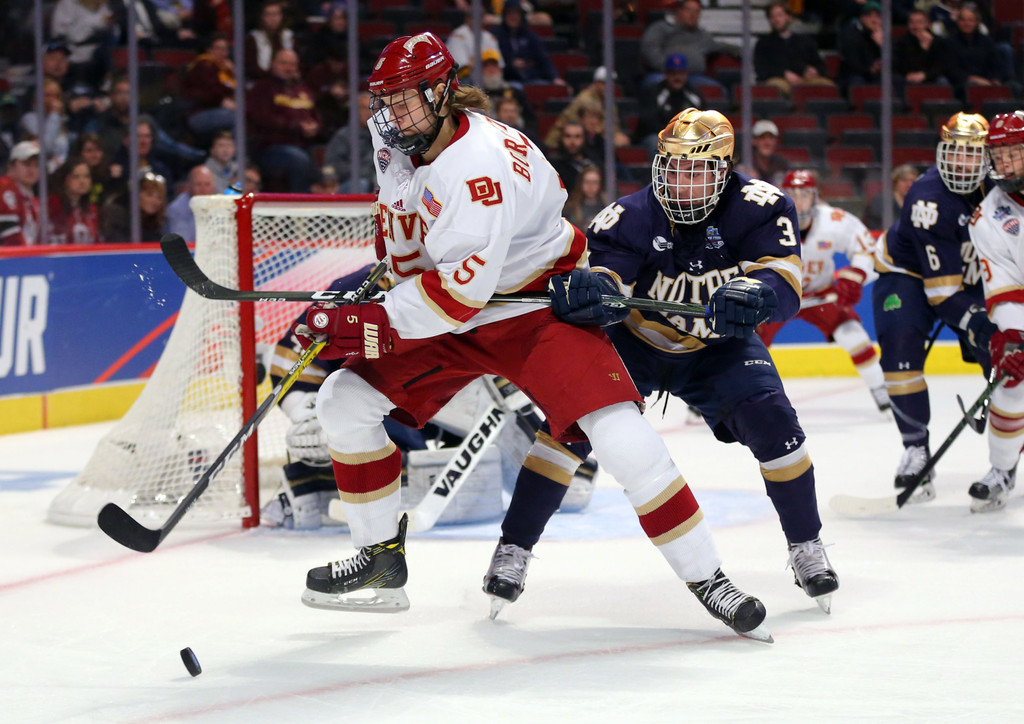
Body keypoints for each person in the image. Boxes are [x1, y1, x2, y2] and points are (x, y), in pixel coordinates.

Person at [295, 34, 772, 641]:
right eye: (382, 101)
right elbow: (408, 234)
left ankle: (710, 579)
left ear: (443, 92)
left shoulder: (476, 171)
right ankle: (379, 558)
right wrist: (382, 278)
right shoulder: (402, 132)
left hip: (531, 305)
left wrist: (371, 324)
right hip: (460, 299)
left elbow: (455, 298)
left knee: (620, 434)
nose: (390, 116)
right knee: (343, 400)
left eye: (405, 100)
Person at [485, 107, 839, 618]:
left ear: (725, 169)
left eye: (695, 170)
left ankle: (806, 544)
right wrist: (594, 292)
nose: (680, 181)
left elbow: (785, 288)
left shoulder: (761, 206)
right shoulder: (630, 215)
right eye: (672, 166)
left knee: (775, 422)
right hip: (636, 342)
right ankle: (514, 546)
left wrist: (757, 294)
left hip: (717, 348)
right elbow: (609, 280)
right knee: (566, 427)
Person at [871, 112, 994, 503]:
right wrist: (977, 321)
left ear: (988, 158)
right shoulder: (928, 197)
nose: (962, 163)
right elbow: (942, 295)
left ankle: (1006, 457)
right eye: (955, 153)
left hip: (970, 276)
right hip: (906, 275)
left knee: (1008, 356)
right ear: (941, 152)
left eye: (972, 155)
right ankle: (914, 447)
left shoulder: (1003, 188)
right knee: (899, 347)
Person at [759, 170, 889, 412]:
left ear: (815, 196)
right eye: (793, 194)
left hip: (820, 292)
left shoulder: (835, 220)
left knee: (852, 334)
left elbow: (866, 249)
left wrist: (856, 275)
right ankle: (726, 393)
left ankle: (880, 388)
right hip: (778, 296)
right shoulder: (765, 221)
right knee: (748, 345)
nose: (799, 201)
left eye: (805, 194)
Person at [964, 110, 1024, 512]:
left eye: (1013, 152)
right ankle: (1002, 469)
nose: (1004, 162)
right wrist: (1010, 336)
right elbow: (1004, 287)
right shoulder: (988, 216)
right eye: (998, 154)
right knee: (1011, 380)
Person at [246, 48, 321, 193]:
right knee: (298, 159)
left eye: (292, 64)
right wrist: (297, 127)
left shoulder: (303, 89)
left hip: (303, 145)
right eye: (284, 63)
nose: (288, 68)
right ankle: (300, 208)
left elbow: (316, 115)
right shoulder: (262, 88)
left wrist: (315, 126)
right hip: (270, 148)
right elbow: (263, 119)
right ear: (273, 64)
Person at [640, 0, 739, 92]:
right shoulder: (661, 28)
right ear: (679, 10)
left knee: (718, 90)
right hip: (664, 75)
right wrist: (671, 70)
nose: (692, 15)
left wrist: (740, 51)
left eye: (697, 12)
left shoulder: (702, 36)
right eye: (689, 10)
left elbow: (720, 46)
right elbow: (650, 49)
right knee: (652, 83)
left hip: (695, 78)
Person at [753, 0, 834, 98]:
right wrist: (783, 74)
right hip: (779, 80)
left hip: (804, 79)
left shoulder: (805, 41)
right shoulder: (763, 44)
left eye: (779, 15)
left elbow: (819, 65)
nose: (776, 19)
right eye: (772, 16)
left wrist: (814, 71)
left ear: (788, 17)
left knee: (827, 85)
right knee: (776, 86)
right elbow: (762, 71)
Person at [635, 53, 704, 159]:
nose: (677, 77)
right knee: (655, 143)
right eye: (673, 73)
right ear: (666, 74)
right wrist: (672, 136)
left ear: (686, 74)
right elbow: (648, 123)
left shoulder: (694, 94)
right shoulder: (654, 92)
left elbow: (704, 120)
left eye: (681, 73)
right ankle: (661, 175)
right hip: (660, 135)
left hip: (687, 138)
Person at [491, 0, 564, 86]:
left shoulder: (530, 35)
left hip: (531, 77)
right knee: (515, 88)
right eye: (509, 13)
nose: (513, 17)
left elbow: (543, 58)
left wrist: (555, 77)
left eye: (516, 13)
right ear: (504, 15)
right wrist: (511, 64)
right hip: (508, 78)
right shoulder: (496, 35)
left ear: (521, 16)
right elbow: (494, 61)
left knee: (542, 87)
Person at [181, 32, 237, 140]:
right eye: (218, 49)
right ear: (209, 50)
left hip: (218, 111)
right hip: (198, 114)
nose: (223, 53)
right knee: (239, 118)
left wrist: (234, 73)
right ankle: (236, 154)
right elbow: (209, 92)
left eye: (225, 49)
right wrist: (222, 100)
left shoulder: (224, 69)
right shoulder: (204, 65)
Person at [323, 91, 375, 194]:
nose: (368, 113)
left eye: (372, 109)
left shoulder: (383, 135)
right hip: (349, 182)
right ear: (355, 111)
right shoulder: (344, 135)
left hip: (375, 182)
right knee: (361, 184)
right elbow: (333, 165)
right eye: (364, 108)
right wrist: (364, 172)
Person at [101, 171, 169, 242]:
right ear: (137, 194)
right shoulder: (118, 217)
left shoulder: (160, 224)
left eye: (159, 197)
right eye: (149, 194)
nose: (154, 201)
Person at [47, 155, 101, 244]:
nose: (82, 181)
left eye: (86, 176)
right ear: (65, 179)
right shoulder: (52, 205)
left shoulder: (92, 210)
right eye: (76, 176)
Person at [893, 9, 950, 90]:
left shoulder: (938, 42)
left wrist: (925, 75)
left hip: (931, 78)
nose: (915, 26)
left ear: (928, 24)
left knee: (943, 81)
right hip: (908, 79)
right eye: (912, 23)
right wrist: (922, 50)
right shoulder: (901, 42)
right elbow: (902, 66)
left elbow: (942, 67)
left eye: (919, 22)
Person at [0, 141, 41, 246]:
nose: (32, 170)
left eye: (36, 165)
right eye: (26, 164)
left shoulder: (32, 198)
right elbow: (11, 238)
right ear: (11, 166)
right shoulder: (5, 187)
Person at [245, 0, 295, 83]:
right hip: (262, 82)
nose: (273, 19)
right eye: (268, 15)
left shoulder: (289, 36)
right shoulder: (253, 38)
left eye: (276, 14)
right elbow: (251, 69)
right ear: (262, 17)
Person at [837, 1, 883, 90]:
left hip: (876, 75)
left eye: (877, 16)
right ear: (862, 18)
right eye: (869, 16)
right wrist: (870, 69)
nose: (874, 20)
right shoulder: (851, 33)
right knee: (858, 82)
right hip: (854, 75)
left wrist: (882, 46)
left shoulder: (884, 36)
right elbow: (852, 62)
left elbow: (894, 63)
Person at [166, 164, 217, 241]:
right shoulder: (177, 209)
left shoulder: (220, 205)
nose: (203, 190)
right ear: (189, 186)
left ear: (214, 187)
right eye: (198, 184)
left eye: (207, 184)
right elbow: (183, 243)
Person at [863, 163, 919, 231]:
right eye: (904, 180)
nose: (909, 184)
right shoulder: (880, 200)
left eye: (913, 181)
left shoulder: (917, 202)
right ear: (895, 182)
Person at [736, 119, 789, 186]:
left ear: (776, 141)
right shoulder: (744, 163)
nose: (767, 143)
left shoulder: (781, 165)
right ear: (754, 140)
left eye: (771, 138)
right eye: (762, 137)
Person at [562, 163, 605, 230]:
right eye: (587, 182)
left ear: (600, 184)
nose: (591, 187)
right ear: (580, 183)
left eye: (595, 182)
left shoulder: (607, 204)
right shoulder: (570, 207)